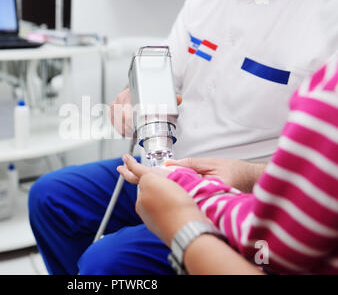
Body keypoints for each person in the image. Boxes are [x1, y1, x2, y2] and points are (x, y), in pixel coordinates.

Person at [28, 0, 338, 275]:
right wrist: (130, 97)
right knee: (50, 197)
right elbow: (160, 76)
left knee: (107, 261)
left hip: (239, 192)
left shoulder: (328, 12)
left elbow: (321, 178)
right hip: (168, 164)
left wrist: (247, 174)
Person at [118, 55, 338, 274]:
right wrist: (131, 95)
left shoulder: (328, 90)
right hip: (185, 170)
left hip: (213, 186)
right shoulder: (195, 18)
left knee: (112, 258)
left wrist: (187, 205)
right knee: (82, 191)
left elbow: (275, 240)